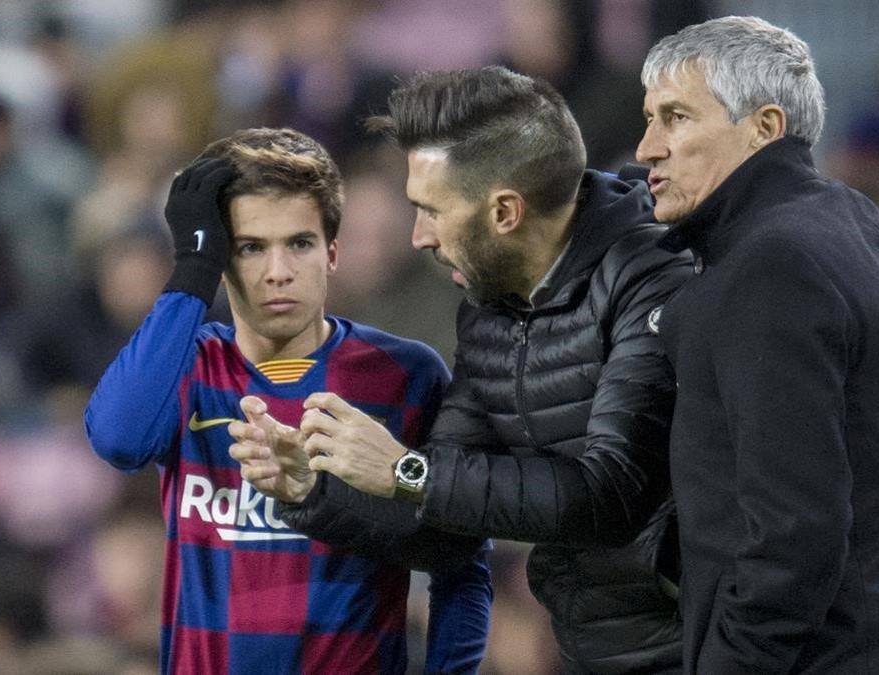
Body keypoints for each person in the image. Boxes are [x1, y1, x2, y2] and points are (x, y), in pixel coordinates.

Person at [228, 66, 692, 673]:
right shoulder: (490, 308)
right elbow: (448, 530)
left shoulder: (656, 279)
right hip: (594, 650)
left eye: (431, 210)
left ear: (504, 212)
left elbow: (607, 496)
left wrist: (404, 468)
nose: (418, 236)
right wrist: (312, 493)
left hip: (702, 648)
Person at [83, 127, 491, 674]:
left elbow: (462, 562)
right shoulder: (185, 364)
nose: (278, 272)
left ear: (332, 253)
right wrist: (192, 270)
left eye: (299, 243)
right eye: (251, 248)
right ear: (224, 259)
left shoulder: (406, 375)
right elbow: (118, 439)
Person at [635, 16, 879, 672]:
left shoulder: (770, 264)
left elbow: (794, 535)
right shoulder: (846, 218)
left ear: (764, 127)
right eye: (649, 119)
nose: (647, 147)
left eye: (675, 118)